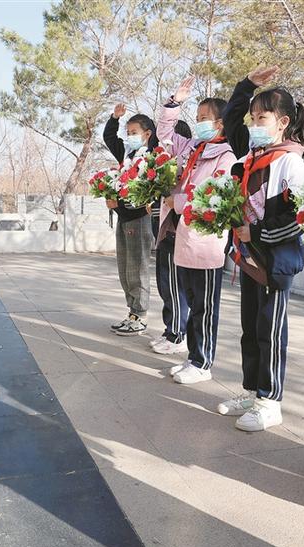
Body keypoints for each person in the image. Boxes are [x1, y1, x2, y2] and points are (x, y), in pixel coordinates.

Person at [218, 66, 304, 431]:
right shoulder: (251, 157)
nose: (253, 124)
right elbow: (231, 119)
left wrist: (256, 232)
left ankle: (270, 400)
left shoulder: (292, 161)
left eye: (262, 118)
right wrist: (246, 85)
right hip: (249, 259)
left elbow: (301, 218)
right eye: (253, 118)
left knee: (270, 331)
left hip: (275, 262)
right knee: (250, 328)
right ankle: (252, 391)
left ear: (283, 122)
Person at [156, 76, 236, 384]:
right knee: (191, 301)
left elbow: (211, 197)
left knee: (205, 307)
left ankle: (203, 363)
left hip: (206, 243)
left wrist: (176, 202)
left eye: (204, 118)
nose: (199, 122)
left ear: (220, 124)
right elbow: (164, 133)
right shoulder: (193, 149)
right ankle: (192, 357)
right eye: (198, 117)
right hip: (184, 240)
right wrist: (175, 103)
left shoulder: (226, 157)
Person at [103, 104, 158, 336]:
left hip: (140, 218)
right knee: (125, 268)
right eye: (128, 132)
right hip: (124, 217)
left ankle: (140, 315)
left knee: (137, 268)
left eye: (134, 132)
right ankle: (132, 312)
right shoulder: (128, 154)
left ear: (147, 134)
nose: (130, 136)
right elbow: (109, 137)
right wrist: (114, 118)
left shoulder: (154, 155)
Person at [148, 118, 193, 357]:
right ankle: (170, 329)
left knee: (175, 286)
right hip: (162, 231)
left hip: (175, 231)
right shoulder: (164, 164)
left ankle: (178, 334)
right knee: (165, 284)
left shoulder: (184, 165)